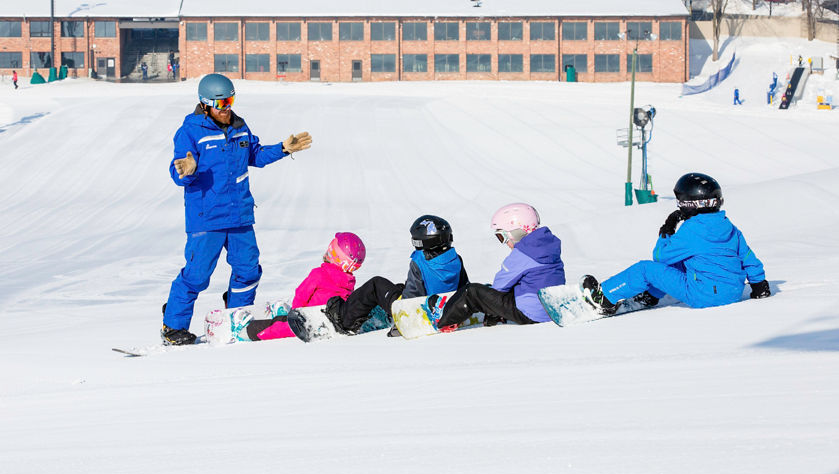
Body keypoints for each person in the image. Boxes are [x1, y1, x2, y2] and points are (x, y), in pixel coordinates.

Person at [161, 73, 313, 345]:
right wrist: (185, 171)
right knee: (196, 276)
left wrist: (282, 148)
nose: (227, 107)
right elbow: (178, 172)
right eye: (221, 103)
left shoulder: (240, 127)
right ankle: (173, 327)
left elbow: (254, 154)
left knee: (248, 270)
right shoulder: (189, 132)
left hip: (240, 215)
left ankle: (236, 315)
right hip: (206, 218)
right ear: (205, 104)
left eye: (230, 100)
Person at [582, 172, 770, 316]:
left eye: (681, 202)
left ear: (691, 204)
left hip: (704, 296)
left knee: (645, 269)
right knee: (682, 261)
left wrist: (667, 229)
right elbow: (747, 257)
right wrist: (759, 284)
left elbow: (661, 256)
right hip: (733, 292)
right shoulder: (728, 226)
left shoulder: (692, 229)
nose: (679, 205)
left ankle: (604, 298)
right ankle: (650, 296)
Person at [322, 215, 470, 336]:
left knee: (376, 285)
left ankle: (344, 319)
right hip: (445, 306)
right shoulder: (455, 258)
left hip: (418, 310)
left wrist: (402, 323)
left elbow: (412, 297)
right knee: (398, 287)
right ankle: (377, 311)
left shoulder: (420, 262)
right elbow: (464, 287)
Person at [435, 203, 565, 330]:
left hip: (530, 314)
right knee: (497, 290)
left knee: (472, 292)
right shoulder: (547, 246)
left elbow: (499, 287)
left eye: (502, 236)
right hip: (550, 310)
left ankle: (443, 320)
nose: (504, 243)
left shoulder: (523, 253)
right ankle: (495, 315)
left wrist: (486, 298)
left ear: (516, 232)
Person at [244, 233, 366, 340]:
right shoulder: (349, 282)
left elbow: (302, 293)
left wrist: (295, 314)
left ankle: (246, 331)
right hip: (324, 321)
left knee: (275, 330)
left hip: (307, 321)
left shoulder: (320, 273)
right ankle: (281, 315)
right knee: (281, 322)